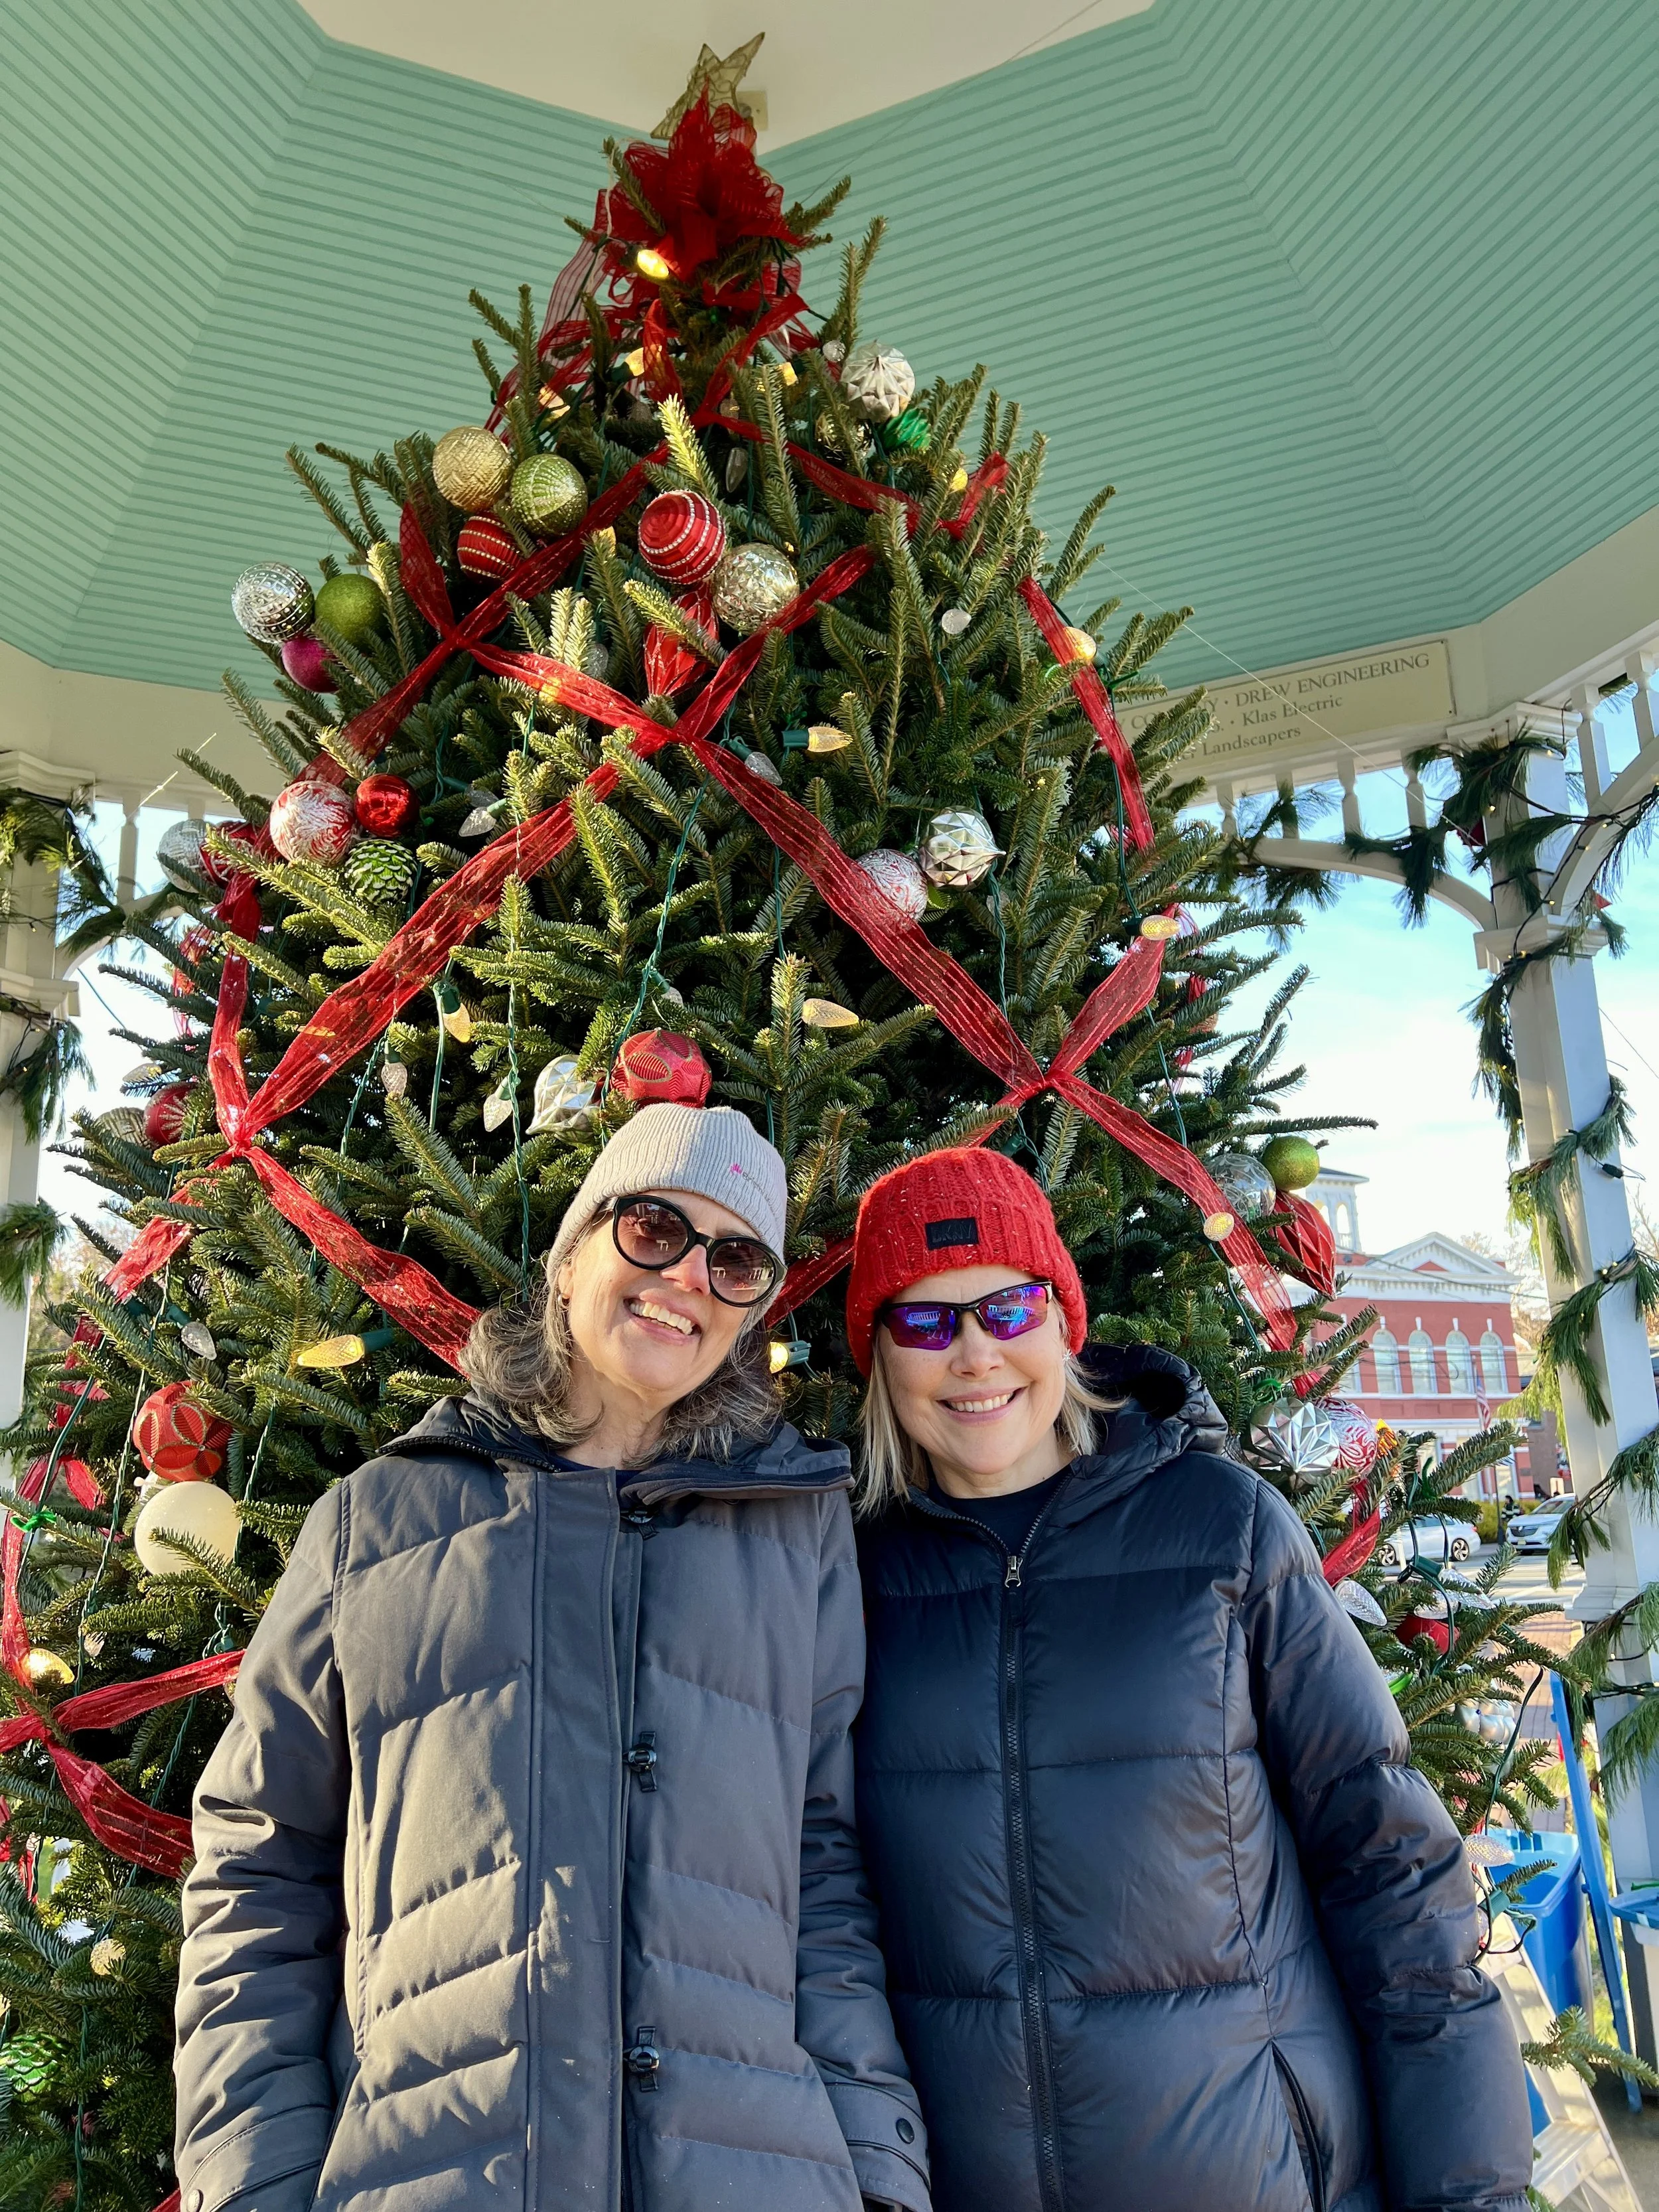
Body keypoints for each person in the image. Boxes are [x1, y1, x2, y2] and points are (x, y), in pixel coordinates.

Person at [174, 1103, 930, 2212]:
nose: (686, 1278)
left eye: (734, 1260)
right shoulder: (374, 1521)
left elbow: (818, 1872)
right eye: (653, 1229)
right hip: (435, 2176)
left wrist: (876, 2170)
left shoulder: (796, 1536)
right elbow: (259, 1864)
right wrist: (255, 2180)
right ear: (574, 1251)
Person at [846, 1145, 1532, 2212]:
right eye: (926, 1323)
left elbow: (1389, 1867)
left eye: (1011, 1308)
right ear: (881, 1358)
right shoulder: (848, 1581)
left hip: (1257, 2178)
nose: (975, 1356)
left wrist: (1469, 2194)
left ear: (1064, 1323)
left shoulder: (1222, 1523)